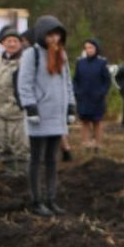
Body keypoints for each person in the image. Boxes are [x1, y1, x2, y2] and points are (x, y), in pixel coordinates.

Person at [16, 15, 77, 217]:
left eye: (58, 35)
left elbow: (67, 83)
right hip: (39, 116)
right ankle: (36, 200)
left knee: (52, 159)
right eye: (51, 35)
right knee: (36, 159)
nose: (55, 39)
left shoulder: (62, 55)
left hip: (56, 117)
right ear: (42, 35)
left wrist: (70, 107)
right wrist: (30, 108)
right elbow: (24, 84)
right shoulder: (31, 55)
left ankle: (51, 198)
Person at [0, 28, 30, 175]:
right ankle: (9, 172)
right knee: (2, 144)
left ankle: (23, 173)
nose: (12, 44)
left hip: (18, 111)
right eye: (9, 41)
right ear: (3, 43)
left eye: (15, 41)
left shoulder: (25, 61)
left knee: (20, 145)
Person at [73, 38, 111, 153]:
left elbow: (107, 81)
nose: (88, 50)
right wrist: (77, 92)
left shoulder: (102, 63)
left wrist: (102, 92)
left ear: (96, 49)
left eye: (91, 48)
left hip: (97, 98)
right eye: (86, 48)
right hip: (83, 97)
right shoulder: (80, 63)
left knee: (97, 121)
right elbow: (76, 80)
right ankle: (86, 143)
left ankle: (98, 144)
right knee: (84, 121)